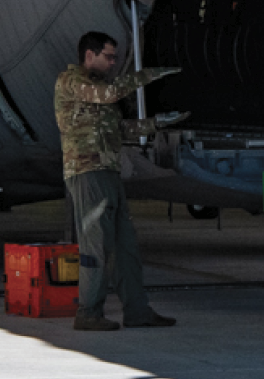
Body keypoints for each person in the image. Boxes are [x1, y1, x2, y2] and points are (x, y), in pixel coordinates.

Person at [54, 31, 180, 332]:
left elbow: (120, 130)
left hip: (109, 171)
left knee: (126, 247)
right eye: (108, 56)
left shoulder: (98, 90)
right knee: (96, 245)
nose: (113, 63)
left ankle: (137, 310)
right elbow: (110, 94)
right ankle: (88, 312)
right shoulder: (71, 81)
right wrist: (148, 75)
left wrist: (156, 124)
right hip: (87, 172)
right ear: (89, 55)